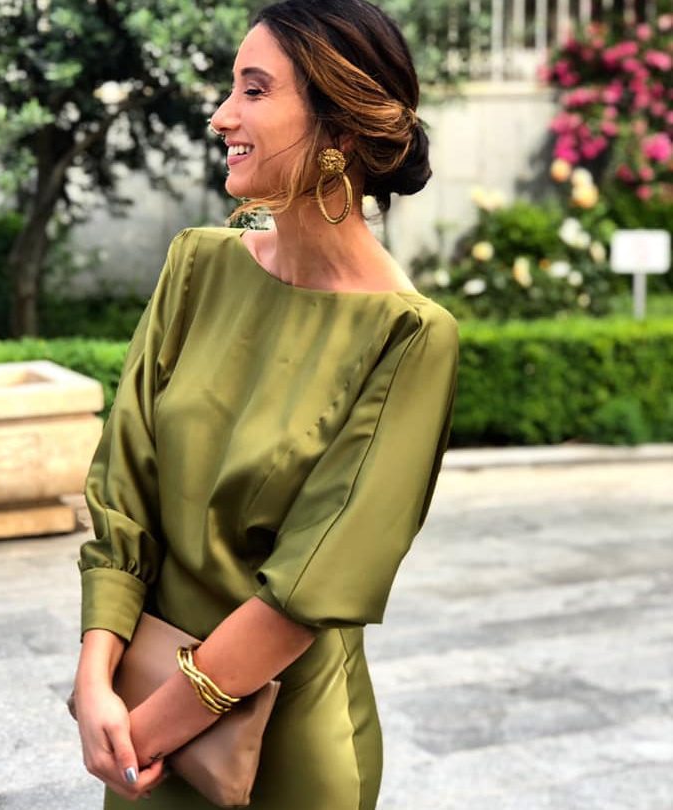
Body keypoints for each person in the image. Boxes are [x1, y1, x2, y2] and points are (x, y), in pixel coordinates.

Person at [72, 1, 460, 808]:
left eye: (254, 91)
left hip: (282, 750)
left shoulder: (409, 336)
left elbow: (312, 584)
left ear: (339, 129)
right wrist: (95, 680)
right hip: (139, 710)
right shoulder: (196, 266)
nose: (222, 116)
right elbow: (124, 490)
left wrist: (148, 731)